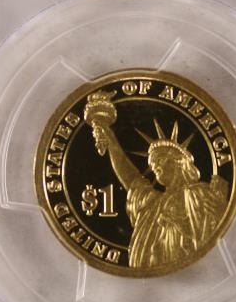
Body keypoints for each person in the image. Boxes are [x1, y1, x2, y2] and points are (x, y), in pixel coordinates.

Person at [84, 92, 228, 270]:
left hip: (190, 271)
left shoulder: (199, 194)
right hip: (150, 272)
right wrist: (110, 138)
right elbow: (130, 178)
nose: (154, 167)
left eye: (159, 160)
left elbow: (216, 232)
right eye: (152, 164)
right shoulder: (153, 203)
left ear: (179, 162)